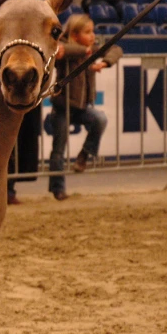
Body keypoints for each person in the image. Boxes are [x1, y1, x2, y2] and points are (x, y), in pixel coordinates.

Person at [48, 13, 121, 201]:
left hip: (81, 106)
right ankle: (58, 188)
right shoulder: (64, 48)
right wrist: (85, 51)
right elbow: (60, 50)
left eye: (93, 31)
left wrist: (105, 62)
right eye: (88, 32)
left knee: (100, 119)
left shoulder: (90, 48)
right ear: (74, 34)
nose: (93, 35)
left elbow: (116, 49)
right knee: (58, 150)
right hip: (63, 107)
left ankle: (84, 154)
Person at [0, 0, 53, 205]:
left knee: (25, 134)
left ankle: (11, 187)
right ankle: (3, 187)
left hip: (33, 76)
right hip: (9, 72)